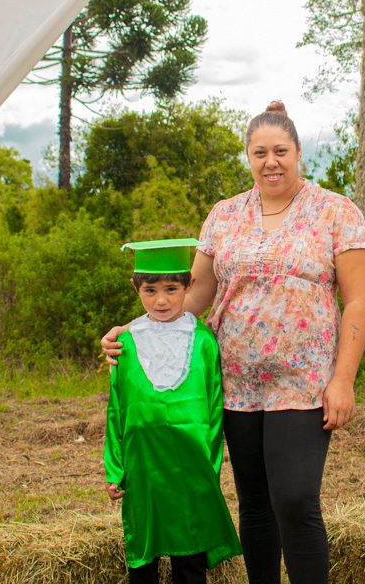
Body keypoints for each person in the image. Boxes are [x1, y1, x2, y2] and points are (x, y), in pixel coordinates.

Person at [103, 102, 365, 584]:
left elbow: (357, 302)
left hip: (304, 384)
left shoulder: (336, 212)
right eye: (260, 152)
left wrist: (344, 380)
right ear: (248, 157)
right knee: (255, 503)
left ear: (298, 153)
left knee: (294, 498)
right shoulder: (225, 215)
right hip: (235, 383)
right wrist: (138, 331)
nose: (271, 161)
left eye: (280, 151)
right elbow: (199, 292)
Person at [104, 238, 242, 584]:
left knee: (190, 552)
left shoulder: (203, 342)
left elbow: (213, 412)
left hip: (190, 467)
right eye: (150, 290)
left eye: (171, 288)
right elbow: (116, 409)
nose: (161, 300)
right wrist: (115, 467)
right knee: (143, 553)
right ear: (135, 288)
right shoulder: (127, 342)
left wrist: (209, 469)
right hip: (142, 465)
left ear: (189, 285)